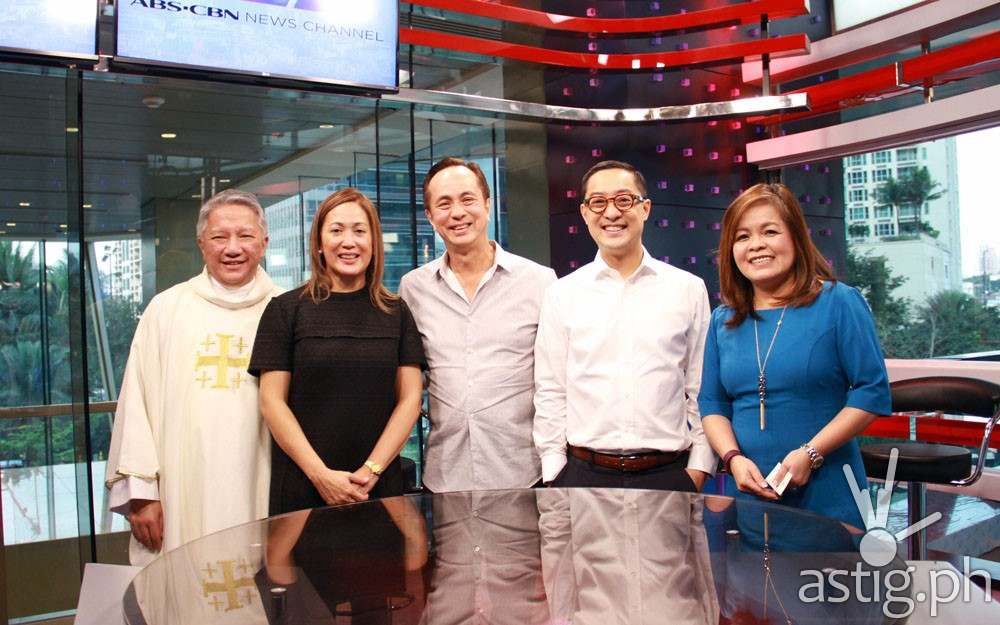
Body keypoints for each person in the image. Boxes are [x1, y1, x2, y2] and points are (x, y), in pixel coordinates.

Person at [699, 182, 891, 527]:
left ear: (795, 238)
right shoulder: (722, 320)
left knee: (831, 580)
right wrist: (732, 458)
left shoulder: (839, 302)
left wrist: (811, 453)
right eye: (742, 237)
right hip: (751, 493)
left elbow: (871, 391)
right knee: (756, 580)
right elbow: (712, 404)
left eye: (769, 231)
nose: (756, 245)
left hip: (829, 489)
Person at [105, 189, 281, 565]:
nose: (232, 248)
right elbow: (136, 404)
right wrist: (142, 494)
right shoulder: (167, 310)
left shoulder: (287, 309)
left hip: (264, 484)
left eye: (245, 236)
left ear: (264, 242)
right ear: (202, 243)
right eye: (219, 237)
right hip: (180, 490)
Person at [533, 160, 715, 491]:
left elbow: (700, 386)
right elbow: (551, 390)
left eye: (624, 200)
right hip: (582, 476)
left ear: (645, 208)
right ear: (585, 213)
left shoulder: (687, 288)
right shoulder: (561, 294)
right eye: (598, 202)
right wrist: (554, 471)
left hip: (669, 475)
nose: (611, 213)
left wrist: (700, 466)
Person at [249, 187, 425, 514]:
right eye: (336, 230)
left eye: (360, 231)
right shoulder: (286, 310)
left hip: (379, 486)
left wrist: (371, 471)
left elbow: (411, 399)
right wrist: (321, 476)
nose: (349, 241)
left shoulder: (396, 312)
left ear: (373, 242)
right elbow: (271, 402)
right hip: (303, 485)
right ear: (319, 242)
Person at [398, 157, 556, 492]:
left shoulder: (540, 282)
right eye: (444, 204)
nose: (457, 213)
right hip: (444, 479)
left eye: (467, 199)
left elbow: (557, 383)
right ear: (430, 217)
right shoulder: (413, 288)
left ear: (487, 204)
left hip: (525, 477)